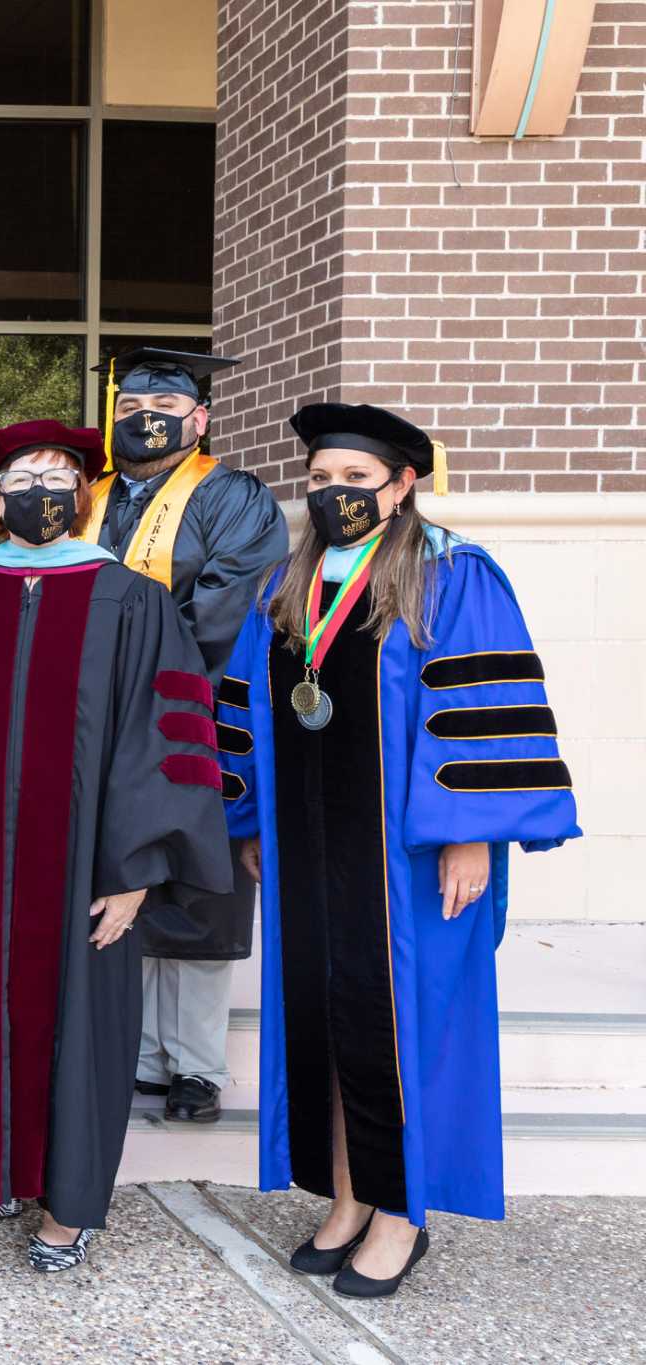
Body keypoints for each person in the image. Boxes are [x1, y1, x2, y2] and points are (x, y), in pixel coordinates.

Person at [219, 403, 578, 1299]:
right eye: (322, 478)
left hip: (408, 856)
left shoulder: (452, 576)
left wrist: (472, 835)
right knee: (325, 1016)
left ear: (403, 483)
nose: (335, 493)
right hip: (307, 847)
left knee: (402, 1022)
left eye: (355, 479)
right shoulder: (288, 579)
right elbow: (248, 709)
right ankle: (346, 1194)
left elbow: (482, 710)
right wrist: (255, 818)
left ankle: (401, 1211)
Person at [0, 420, 233, 1272]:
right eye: (20, 473)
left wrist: (135, 872)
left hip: (88, 866)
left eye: (57, 473)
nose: (38, 487)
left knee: (78, 1020)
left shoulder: (134, 600)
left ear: (83, 496)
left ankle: (68, 1202)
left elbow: (167, 743)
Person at [80, 347, 289, 1124]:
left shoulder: (232, 496)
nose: (145, 420)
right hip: (97, 724)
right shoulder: (87, 497)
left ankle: (196, 1066)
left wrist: (128, 667)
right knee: (121, 873)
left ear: (198, 419)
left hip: (192, 713)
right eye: (130, 407)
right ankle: (138, 1054)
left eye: (163, 408)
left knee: (199, 886)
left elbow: (225, 607)